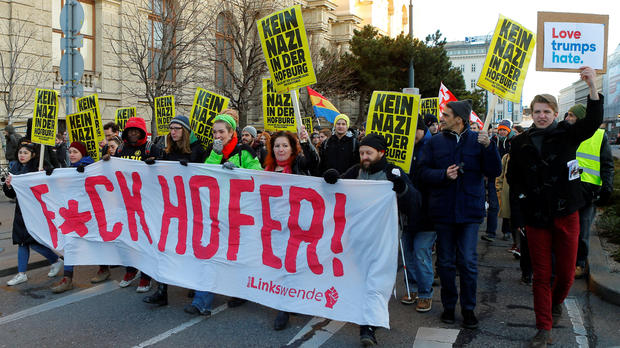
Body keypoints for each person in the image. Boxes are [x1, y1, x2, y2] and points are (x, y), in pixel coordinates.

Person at [507, 67, 603, 347]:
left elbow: (594, 120)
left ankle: (557, 301)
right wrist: (522, 210)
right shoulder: (519, 142)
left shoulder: (568, 134)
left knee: (565, 273)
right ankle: (543, 328)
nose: (541, 116)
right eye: (537, 111)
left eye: (546, 111)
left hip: (566, 213)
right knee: (540, 274)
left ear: (555, 113)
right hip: (536, 217)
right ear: (532, 113)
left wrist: (593, 85)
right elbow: (514, 179)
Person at [324, 133, 420, 346]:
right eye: (361, 153)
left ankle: (368, 327)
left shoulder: (392, 172)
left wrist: (401, 188)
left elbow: (414, 204)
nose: (364, 157)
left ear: (381, 153)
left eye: (369, 153)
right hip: (358, 237)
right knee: (360, 278)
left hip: (384, 239)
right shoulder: (357, 170)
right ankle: (364, 316)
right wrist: (331, 177)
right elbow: (337, 183)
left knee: (376, 280)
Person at [418, 99, 501, 330]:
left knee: (467, 261)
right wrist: (442, 174)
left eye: (446, 114)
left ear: (459, 119)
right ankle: (448, 306)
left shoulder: (479, 141)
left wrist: (490, 147)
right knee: (444, 262)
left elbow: (494, 171)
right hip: (443, 211)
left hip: (469, 212)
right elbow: (422, 172)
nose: (441, 117)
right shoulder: (434, 143)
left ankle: (468, 309)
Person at [185, 113, 262, 316]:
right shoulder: (213, 150)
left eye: (221, 132)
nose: (217, 136)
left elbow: (258, 174)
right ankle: (201, 301)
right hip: (217, 212)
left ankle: (240, 290)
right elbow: (206, 176)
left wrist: (238, 171)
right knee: (210, 254)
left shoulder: (244, 151)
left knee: (237, 256)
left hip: (239, 214)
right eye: (214, 132)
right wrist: (216, 155)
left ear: (231, 132)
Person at [142, 115, 208, 306]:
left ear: (185, 130)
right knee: (164, 247)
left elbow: (206, 176)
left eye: (177, 128)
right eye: (171, 128)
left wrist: (193, 169)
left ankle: (194, 282)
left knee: (190, 247)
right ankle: (162, 291)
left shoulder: (198, 149)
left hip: (191, 208)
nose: (173, 132)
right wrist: (154, 164)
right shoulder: (167, 150)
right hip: (170, 207)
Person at [263, 128, 319, 330]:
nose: (280, 149)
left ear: (292, 148)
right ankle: (290, 300)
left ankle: (284, 309)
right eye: (277, 145)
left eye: (285, 145)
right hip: (275, 225)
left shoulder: (298, 164)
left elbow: (314, 162)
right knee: (281, 265)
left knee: (292, 265)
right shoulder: (268, 168)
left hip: (297, 224)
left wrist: (306, 142)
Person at [105, 116, 163, 292]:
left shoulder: (151, 148)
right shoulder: (121, 148)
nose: (132, 134)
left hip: (146, 202)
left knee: (145, 239)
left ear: (142, 132)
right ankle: (131, 270)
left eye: (135, 131)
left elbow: (163, 171)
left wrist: (155, 164)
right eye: (130, 131)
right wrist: (107, 161)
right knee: (128, 239)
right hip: (126, 201)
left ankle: (146, 276)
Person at [564, 105, 614, 279]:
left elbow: (607, 164)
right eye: (567, 115)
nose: (567, 118)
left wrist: (607, 187)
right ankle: (567, 262)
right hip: (569, 190)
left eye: (571, 115)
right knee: (567, 230)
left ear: (581, 117)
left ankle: (580, 263)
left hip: (589, 193)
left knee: (583, 230)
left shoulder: (600, 136)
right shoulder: (565, 134)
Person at [3, 143, 63, 286]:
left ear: (33, 155)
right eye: (20, 152)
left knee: (31, 240)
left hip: (36, 210)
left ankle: (55, 260)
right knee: (22, 241)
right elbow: (11, 194)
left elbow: (52, 178)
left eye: (25, 153)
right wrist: (8, 186)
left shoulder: (39, 166)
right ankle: (23, 272)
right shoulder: (15, 168)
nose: (22, 155)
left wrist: (43, 173)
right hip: (21, 210)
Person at [401, 116, 435, 313]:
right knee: (408, 253)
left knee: (421, 252)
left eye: (416, 130)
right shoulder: (403, 149)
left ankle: (425, 293)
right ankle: (411, 288)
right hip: (407, 211)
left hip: (428, 212)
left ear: (422, 130)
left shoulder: (432, 147)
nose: (412, 135)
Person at [51, 142, 95, 293]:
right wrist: (49, 175)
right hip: (73, 216)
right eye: (70, 152)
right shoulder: (68, 170)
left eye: (75, 151)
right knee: (69, 244)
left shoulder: (93, 167)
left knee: (97, 242)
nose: (71, 155)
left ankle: (104, 269)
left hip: (90, 215)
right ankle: (67, 278)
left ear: (83, 153)